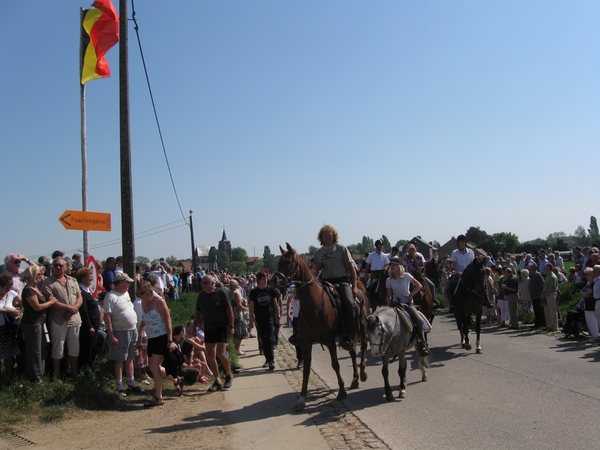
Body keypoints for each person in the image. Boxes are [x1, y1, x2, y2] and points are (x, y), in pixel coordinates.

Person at [311, 224, 357, 350]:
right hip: (325, 282)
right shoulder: (318, 253)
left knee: (349, 303)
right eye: (325, 235)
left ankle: (350, 334)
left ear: (334, 236)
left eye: (330, 235)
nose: (327, 237)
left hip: (342, 281)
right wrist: (315, 269)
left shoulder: (341, 249)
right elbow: (314, 271)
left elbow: (351, 268)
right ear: (321, 237)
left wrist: (354, 286)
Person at [137, 281, 181, 407]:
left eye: (141, 293)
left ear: (147, 291)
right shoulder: (143, 303)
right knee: (153, 367)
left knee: (154, 367)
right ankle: (176, 380)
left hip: (161, 337)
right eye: (138, 294)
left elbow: (168, 321)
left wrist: (169, 340)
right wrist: (140, 336)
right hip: (151, 338)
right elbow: (143, 321)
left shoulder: (159, 301)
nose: (140, 296)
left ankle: (158, 397)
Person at [103, 272, 145, 396]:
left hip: (132, 329)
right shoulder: (111, 296)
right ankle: (119, 384)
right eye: (127, 282)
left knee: (130, 357)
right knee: (119, 358)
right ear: (121, 282)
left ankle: (131, 382)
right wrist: (111, 335)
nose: (129, 285)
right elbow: (107, 317)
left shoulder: (125, 293)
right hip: (120, 331)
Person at [42, 257, 82, 380]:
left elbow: (79, 297)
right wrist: (69, 308)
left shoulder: (72, 280)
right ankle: (57, 374)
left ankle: (74, 372)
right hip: (58, 319)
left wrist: (73, 309)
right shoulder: (48, 282)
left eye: (60, 265)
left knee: (74, 347)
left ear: (65, 267)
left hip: (74, 319)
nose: (58, 268)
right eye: (55, 265)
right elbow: (51, 301)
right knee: (58, 348)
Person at [193, 275, 234, 392]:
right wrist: (194, 326)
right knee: (210, 355)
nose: (204, 285)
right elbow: (198, 312)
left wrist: (231, 326)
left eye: (206, 282)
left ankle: (228, 374)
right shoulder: (201, 296)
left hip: (221, 326)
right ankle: (217, 380)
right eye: (202, 283)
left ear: (213, 283)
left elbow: (229, 310)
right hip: (209, 327)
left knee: (221, 353)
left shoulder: (221, 293)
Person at [21, 264, 57, 382]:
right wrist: (51, 302)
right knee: (35, 351)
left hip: (40, 323)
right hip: (32, 323)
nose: (41, 277)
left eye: (41, 274)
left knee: (40, 349)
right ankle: (36, 377)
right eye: (38, 274)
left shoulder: (37, 288)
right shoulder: (28, 290)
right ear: (30, 276)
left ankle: (39, 373)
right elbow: (37, 307)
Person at [385, 259, 429, 356]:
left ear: (399, 267)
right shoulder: (389, 280)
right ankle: (385, 344)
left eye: (394, 265)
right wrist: (388, 302)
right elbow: (388, 295)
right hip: (395, 303)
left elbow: (419, 285)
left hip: (407, 303)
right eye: (391, 265)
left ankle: (422, 343)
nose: (392, 267)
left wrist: (411, 295)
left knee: (418, 320)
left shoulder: (407, 276)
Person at [248, 271, 280, 370]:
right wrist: (251, 319)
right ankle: (268, 358)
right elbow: (251, 307)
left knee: (270, 338)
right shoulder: (254, 292)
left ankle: (271, 360)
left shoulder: (271, 290)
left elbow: (275, 304)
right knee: (263, 339)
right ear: (258, 280)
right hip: (259, 319)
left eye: (266, 278)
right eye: (263, 279)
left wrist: (278, 316)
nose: (265, 280)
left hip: (269, 317)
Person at [76, 268, 105, 369]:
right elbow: (84, 311)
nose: (92, 278)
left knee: (93, 348)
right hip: (89, 326)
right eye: (89, 276)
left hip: (95, 324)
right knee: (86, 349)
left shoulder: (88, 291)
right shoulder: (81, 292)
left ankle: (90, 368)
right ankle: (84, 369)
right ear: (83, 278)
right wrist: (89, 326)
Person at [0, 274, 22, 377]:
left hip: (8, 327)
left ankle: (8, 373)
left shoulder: (12, 293)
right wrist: (8, 310)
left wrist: (19, 312)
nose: (8, 289)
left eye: (10, 287)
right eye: (6, 287)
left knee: (9, 352)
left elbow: (23, 302)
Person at [228, 279, 248, 356]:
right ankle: (237, 349)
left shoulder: (228, 293)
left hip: (231, 315)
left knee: (233, 333)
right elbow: (239, 306)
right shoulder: (236, 293)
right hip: (238, 315)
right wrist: (245, 308)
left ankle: (233, 349)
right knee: (240, 333)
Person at [580, 267, 598, 343]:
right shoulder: (587, 283)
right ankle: (593, 335)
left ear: (591, 274)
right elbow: (583, 293)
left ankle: (595, 335)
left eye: (587, 274)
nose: (586, 275)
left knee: (592, 319)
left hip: (591, 303)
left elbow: (588, 293)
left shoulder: (593, 283)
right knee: (589, 319)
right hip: (586, 302)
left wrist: (584, 294)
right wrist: (583, 294)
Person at [528, 262, 546, 329]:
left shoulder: (537, 274)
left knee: (540, 310)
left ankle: (542, 323)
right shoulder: (532, 275)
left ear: (533, 268)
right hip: (533, 296)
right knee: (536, 310)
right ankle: (537, 323)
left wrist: (542, 293)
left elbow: (543, 283)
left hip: (538, 296)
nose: (529, 270)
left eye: (529, 268)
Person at [541, 263, 558, 331]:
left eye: (545, 268)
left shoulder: (552, 277)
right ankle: (549, 325)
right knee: (547, 311)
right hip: (546, 294)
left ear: (549, 268)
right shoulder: (547, 276)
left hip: (550, 294)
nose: (544, 269)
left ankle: (554, 326)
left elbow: (551, 288)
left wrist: (544, 294)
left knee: (552, 311)